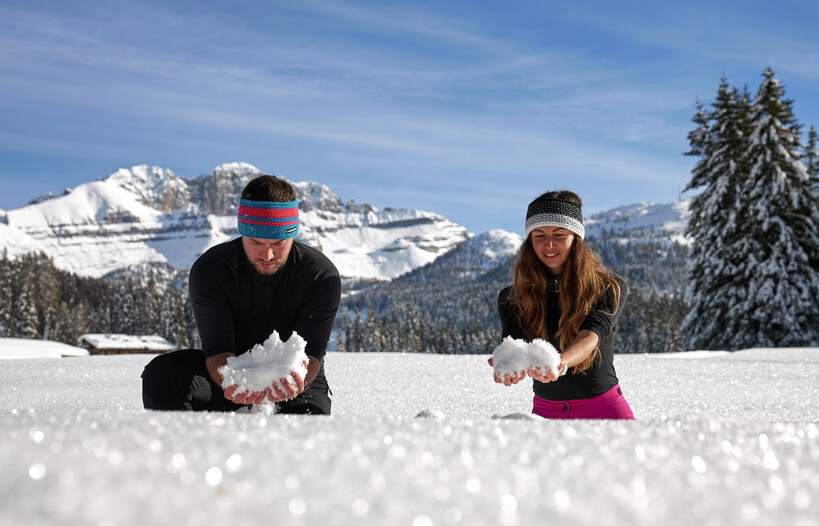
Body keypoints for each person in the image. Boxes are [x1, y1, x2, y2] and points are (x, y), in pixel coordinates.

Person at [142, 174, 341, 414]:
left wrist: (293, 382)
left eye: (278, 243)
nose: (267, 255)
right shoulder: (212, 269)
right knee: (162, 374)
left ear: (293, 234)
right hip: (229, 373)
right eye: (256, 242)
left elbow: (311, 354)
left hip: (293, 379)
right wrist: (235, 382)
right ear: (242, 232)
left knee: (311, 424)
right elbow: (217, 349)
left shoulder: (319, 274)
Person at [492, 190, 634, 419]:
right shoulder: (512, 297)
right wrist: (509, 362)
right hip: (546, 412)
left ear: (575, 238)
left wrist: (561, 362)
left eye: (559, 234)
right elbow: (515, 340)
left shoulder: (608, 287)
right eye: (538, 235)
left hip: (605, 410)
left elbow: (590, 336)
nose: (548, 244)